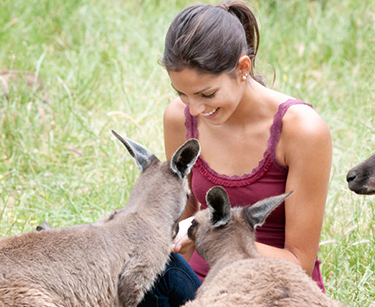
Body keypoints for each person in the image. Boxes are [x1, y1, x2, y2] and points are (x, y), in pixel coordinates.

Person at [138, 1, 333, 306]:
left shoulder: (302, 130)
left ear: (243, 69)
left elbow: (299, 262)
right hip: (204, 290)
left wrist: (205, 230)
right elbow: (184, 219)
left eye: (207, 94)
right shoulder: (180, 118)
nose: (195, 108)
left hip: (273, 291)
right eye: (182, 93)